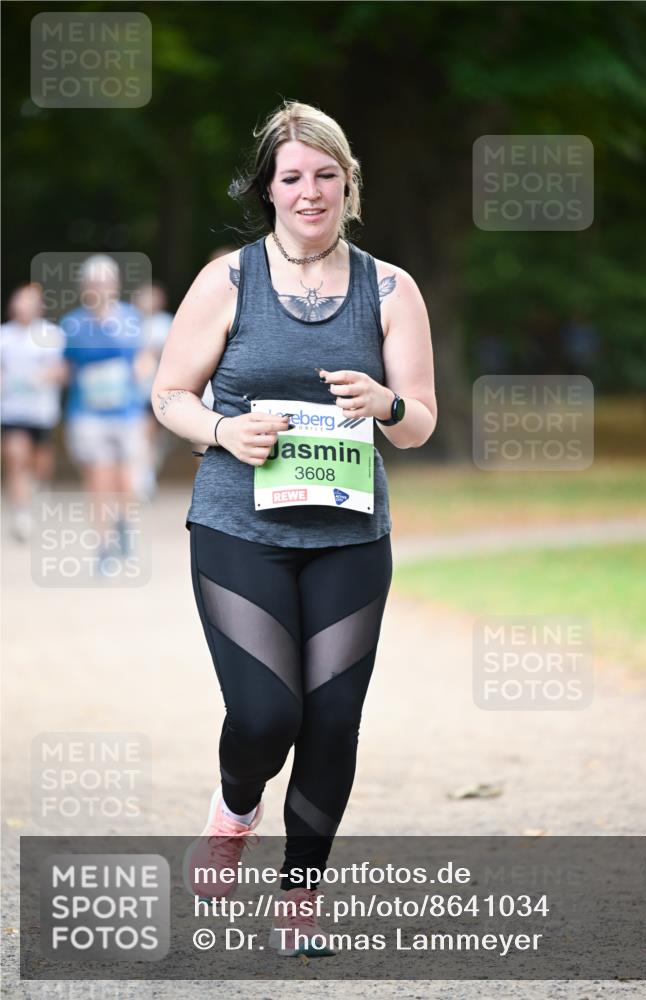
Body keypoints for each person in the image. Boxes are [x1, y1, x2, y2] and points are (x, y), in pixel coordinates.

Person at [152, 100, 437, 957]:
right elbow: (169, 395)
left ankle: (299, 899)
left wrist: (386, 403)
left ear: (348, 185)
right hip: (239, 526)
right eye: (291, 177)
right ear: (268, 189)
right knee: (265, 714)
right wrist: (221, 430)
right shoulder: (227, 281)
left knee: (333, 720)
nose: (309, 191)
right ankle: (235, 809)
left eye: (325, 175)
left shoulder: (390, 288)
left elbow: (419, 421)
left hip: (349, 537)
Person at [61, 255, 151, 571]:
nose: (100, 287)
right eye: (94, 282)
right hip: (87, 413)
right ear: (84, 287)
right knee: (99, 480)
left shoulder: (131, 318)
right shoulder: (72, 323)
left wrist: (143, 370)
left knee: (126, 481)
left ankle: (124, 522)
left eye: (105, 282)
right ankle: (103, 547)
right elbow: (64, 366)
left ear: (115, 285)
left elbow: (144, 357)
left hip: (126, 412)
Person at [1, 283, 67, 541]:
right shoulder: (4, 336)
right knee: (15, 457)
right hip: (12, 412)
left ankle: (37, 488)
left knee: (39, 464)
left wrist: (42, 377)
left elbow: (62, 370)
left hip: (41, 413)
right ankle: (21, 513)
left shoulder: (52, 335)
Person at [132, 283, 174, 495]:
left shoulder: (165, 323)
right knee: (143, 434)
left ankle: (148, 473)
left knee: (155, 439)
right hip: (137, 391)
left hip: (160, 388)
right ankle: (144, 479)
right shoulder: (130, 323)